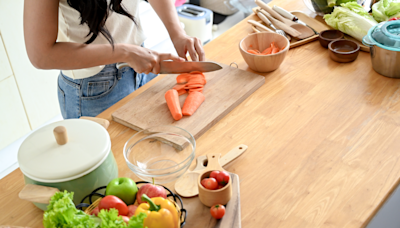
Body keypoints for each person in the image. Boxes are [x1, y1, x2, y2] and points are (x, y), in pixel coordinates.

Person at [23, 0, 205, 119]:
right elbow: (41, 55)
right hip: (93, 90)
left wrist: (177, 33)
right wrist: (125, 52)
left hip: (141, 64)